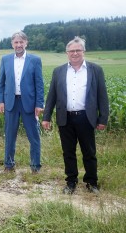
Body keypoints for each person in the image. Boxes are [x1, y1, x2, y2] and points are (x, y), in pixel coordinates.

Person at [42, 36, 109, 195]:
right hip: (65, 118)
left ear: (83, 51)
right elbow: (52, 95)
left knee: (89, 152)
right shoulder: (58, 71)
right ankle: (71, 182)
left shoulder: (95, 70)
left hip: (86, 117)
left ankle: (91, 182)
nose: (75, 53)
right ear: (67, 53)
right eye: (72, 51)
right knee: (68, 152)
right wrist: (46, 117)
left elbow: (102, 96)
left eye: (78, 50)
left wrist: (103, 118)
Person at [0, 31, 44, 173]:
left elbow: (39, 84)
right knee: (10, 135)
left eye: (21, 42)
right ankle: (9, 165)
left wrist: (39, 104)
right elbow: (1, 83)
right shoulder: (5, 59)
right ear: (12, 44)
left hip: (28, 103)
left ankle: (35, 166)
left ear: (26, 43)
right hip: (11, 103)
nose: (18, 45)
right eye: (16, 42)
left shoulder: (34, 60)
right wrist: (1, 101)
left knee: (33, 136)